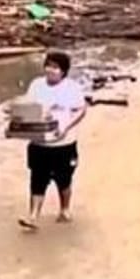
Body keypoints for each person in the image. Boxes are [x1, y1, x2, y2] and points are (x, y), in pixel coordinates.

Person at [21, 51, 88, 230]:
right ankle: (33, 216)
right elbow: (27, 108)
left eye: (56, 67)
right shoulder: (36, 85)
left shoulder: (72, 88)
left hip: (63, 142)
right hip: (39, 142)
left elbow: (81, 110)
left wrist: (66, 127)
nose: (50, 70)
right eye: (48, 66)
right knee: (37, 179)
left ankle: (64, 209)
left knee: (64, 179)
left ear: (64, 72)